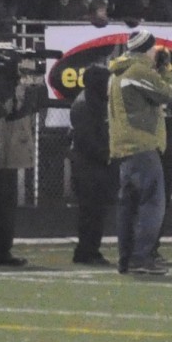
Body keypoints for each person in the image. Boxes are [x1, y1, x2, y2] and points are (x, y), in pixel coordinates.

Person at [107, 32, 172, 276]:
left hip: (124, 146)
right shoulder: (138, 71)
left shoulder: (118, 72)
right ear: (147, 48)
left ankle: (126, 259)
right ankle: (141, 257)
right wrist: (166, 68)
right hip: (142, 145)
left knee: (129, 207)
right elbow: (168, 93)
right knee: (152, 204)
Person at [0, 51, 47, 268]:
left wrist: (34, 88)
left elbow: (32, 108)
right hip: (1, 155)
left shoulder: (3, 88)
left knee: (7, 206)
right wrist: (28, 88)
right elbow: (14, 111)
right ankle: (0, 253)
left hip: (8, 154)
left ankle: (3, 251)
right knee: (2, 207)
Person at [67, 50, 117, 266]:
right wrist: (107, 155)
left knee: (95, 211)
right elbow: (88, 139)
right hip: (89, 166)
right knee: (90, 211)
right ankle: (86, 251)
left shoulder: (92, 101)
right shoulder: (86, 105)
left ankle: (89, 249)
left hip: (92, 165)